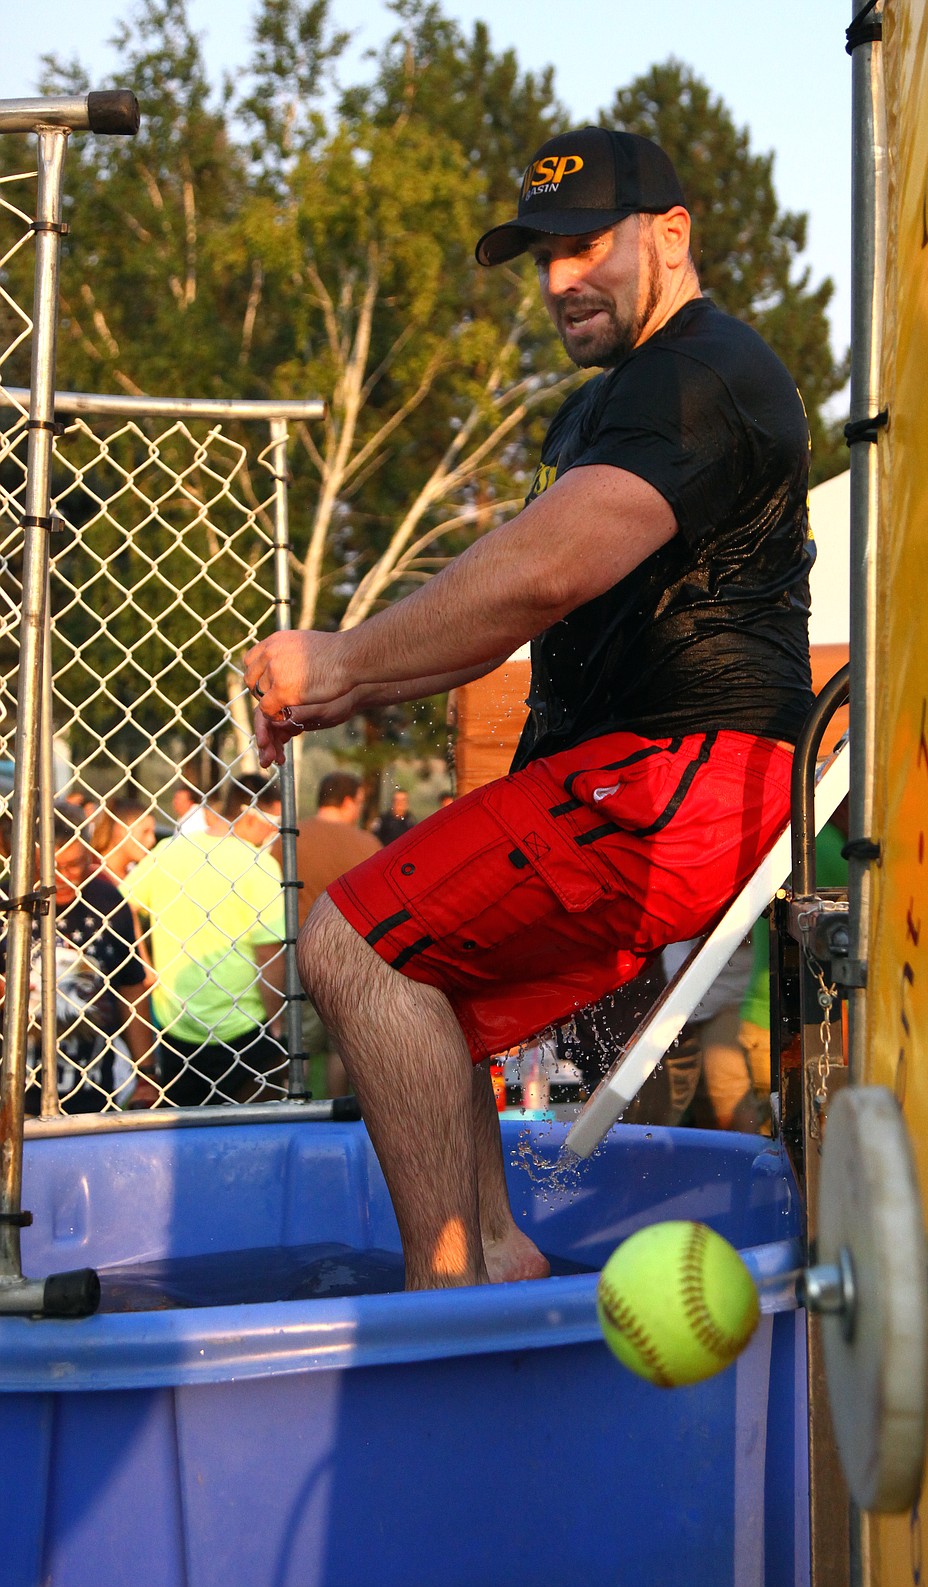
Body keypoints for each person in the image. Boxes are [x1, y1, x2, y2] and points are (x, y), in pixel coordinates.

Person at [244, 126, 815, 1289]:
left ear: (670, 235)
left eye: (587, 246)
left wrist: (347, 660)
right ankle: (494, 1256)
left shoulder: (701, 375)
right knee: (418, 979)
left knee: (347, 943)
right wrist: (348, 690)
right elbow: (504, 624)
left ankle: (439, 1296)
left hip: (683, 774)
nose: (559, 283)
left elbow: (545, 568)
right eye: (543, 259)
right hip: (649, 775)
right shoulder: (610, 406)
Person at [123, 774, 286, 1105]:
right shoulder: (261, 865)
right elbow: (269, 955)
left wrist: (143, 960)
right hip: (245, 1024)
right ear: (251, 814)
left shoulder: (169, 851)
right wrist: (279, 1024)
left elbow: (121, 905)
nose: (276, 832)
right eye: (275, 821)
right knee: (251, 1132)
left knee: (185, 1134)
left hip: (175, 1021)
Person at [1, 803, 156, 1112]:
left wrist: (147, 1074)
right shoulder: (8, 904)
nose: (67, 879)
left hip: (94, 1090)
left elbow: (131, 990)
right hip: (15, 1091)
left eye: (77, 864)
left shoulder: (108, 903)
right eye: (53, 868)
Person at [296, 771, 381, 1094]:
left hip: (297, 947)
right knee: (341, 1046)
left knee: (300, 1042)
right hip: (350, 953)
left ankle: (294, 1103)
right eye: (358, 802)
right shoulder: (366, 844)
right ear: (347, 801)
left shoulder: (287, 838)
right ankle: (337, 1107)